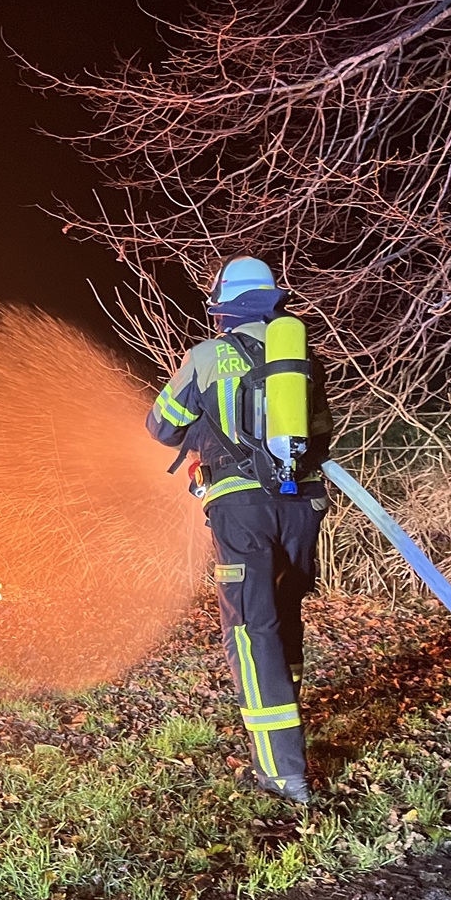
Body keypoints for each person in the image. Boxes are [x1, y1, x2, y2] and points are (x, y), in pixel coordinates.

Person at [147, 257, 333, 804]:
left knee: (252, 630)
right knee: (283, 612)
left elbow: (161, 426)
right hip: (303, 505)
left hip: (241, 508)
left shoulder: (205, 357)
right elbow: (319, 434)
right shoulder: (301, 362)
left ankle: (282, 770)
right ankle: (287, 727)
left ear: (224, 309)